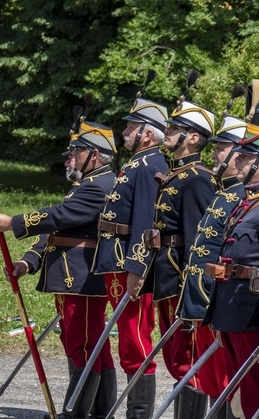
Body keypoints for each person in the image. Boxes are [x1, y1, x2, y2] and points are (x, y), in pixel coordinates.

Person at [0, 117, 117, 419]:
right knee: (90, 344)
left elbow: (59, 216)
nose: (72, 157)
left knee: (83, 345)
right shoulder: (88, 184)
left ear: (94, 155)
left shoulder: (100, 186)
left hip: (82, 278)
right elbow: (58, 230)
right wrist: (29, 261)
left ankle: (75, 414)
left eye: (78, 151)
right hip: (74, 276)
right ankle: (99, 411)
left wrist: (13, 223)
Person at [92, 73, 168, 419]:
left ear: (147, 134)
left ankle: (138, 415)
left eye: (131, 127)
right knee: (127, 339)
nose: (124, 132)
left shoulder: (151, 165)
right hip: (118, 261)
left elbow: (145, 222)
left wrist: (137, 268)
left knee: (135, 340)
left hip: (131, 265)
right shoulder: (137, 163)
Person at [146, 75, 218, 418]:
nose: (168, 132)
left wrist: (194, 288)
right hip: (166, 273)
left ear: (192, 138)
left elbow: (199, 240)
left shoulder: (199, 178)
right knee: (175, 357)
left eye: (175, 128)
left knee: (187, 358)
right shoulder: (177, 174)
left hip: (181, 278)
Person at [177, 100, 247, 419]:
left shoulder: (242, 195)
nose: (215, 154)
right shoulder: (223, 191)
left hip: (217, 299)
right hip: (202, 299)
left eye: (221, 149)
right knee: (211, 378)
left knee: (227, 380)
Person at [203, 81, 259, 418]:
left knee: (254, 396)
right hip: (233, 310)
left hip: (252, 316)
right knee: (240, 396)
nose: (236, 160)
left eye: (245, 156)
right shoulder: (247, 202)